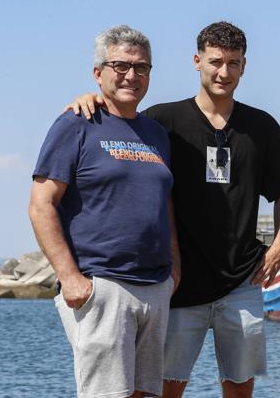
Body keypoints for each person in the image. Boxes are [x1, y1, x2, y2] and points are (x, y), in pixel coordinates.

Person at [67, 21, 280, 398]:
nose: (223, 72)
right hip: (177, 283)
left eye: (233, 63)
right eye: (215, 61)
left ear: (244, 66)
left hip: (243, 281)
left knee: (241, 386)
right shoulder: (162, 122)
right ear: (197, 61)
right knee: (164, 387)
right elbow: (117, 118)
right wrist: (90, 98)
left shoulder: (261, 126)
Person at [29, 25, 181, 398]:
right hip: (103, 286)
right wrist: (71, 278)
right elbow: (40, 204)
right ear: (98, 73)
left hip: (155, 288)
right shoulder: (75, 124)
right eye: (121, 65)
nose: (132, 75)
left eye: (142, 67)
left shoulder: (156, 134)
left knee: (146, 394)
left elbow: (164, 202)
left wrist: (174, 271)